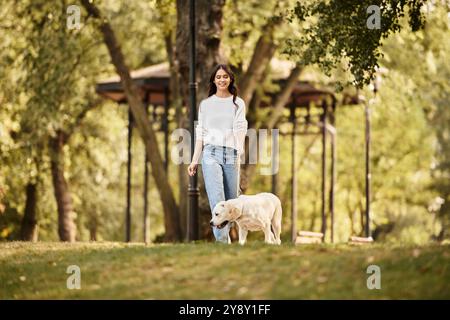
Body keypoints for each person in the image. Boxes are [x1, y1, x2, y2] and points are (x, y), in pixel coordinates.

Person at [187, 64, 248, 243]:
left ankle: (239, 239)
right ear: (214, 80)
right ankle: (223, 242)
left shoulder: (238, 103)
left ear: (230, 79)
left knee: (232, 201)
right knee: (217, 198)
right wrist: (194, 161)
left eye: (225, 77)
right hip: (210, 154)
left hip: (231, 154)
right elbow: (201, 134)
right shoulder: (206, 104)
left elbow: (240, 129)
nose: (222, 80)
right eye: (219, 77)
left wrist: (239, 152)